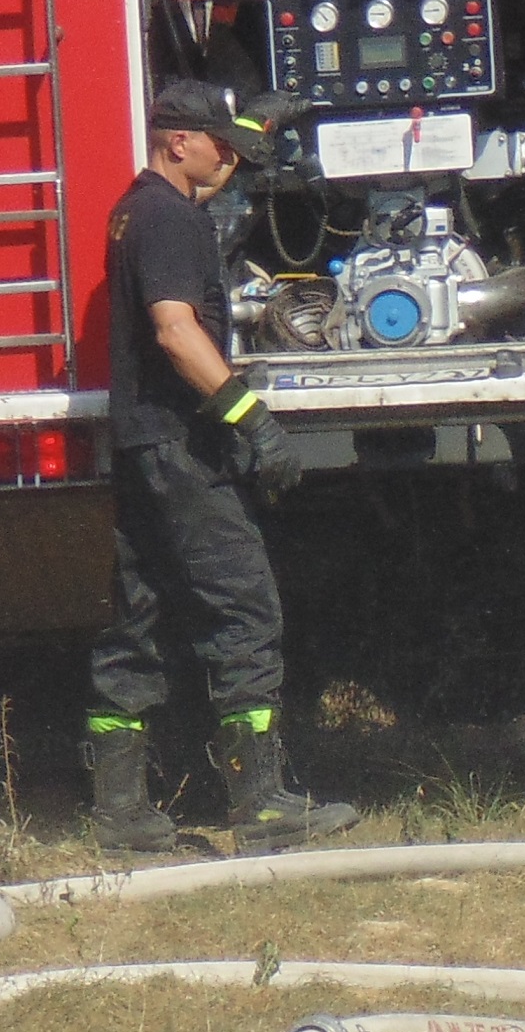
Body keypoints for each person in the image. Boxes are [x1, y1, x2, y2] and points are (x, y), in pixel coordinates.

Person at [83, 79, 356, 852]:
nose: (228, 158)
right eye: (218, 145)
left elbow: (224, 161)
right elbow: (174, 330)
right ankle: (262, 806)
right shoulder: (171, 220)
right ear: (179, 143)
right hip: (179, 444)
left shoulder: (141, 208)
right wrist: (248, 417)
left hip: (143, 445)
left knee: (135, 624)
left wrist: (250, 133)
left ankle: (120, 814)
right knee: (245, 612)